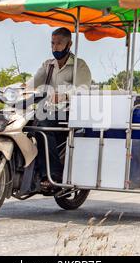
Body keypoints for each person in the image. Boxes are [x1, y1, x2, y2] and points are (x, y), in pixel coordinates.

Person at [25, 27, 92, 189]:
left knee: (43, 127)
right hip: (48, 112)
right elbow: (31, 84)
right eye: (53, 43)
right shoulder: (48, 65)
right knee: (24, 126)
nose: (55, 47)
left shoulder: (79, 65)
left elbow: (83, 89)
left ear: (69, 44)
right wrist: (12, 91)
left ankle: (53, 174)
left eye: (59, 43)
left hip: (70, 113)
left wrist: (63, 95)